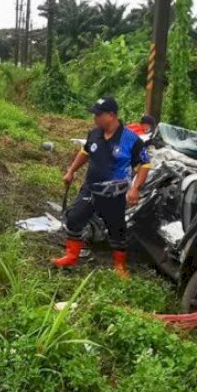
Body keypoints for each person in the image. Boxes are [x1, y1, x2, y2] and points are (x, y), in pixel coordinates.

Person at [53, 97, 151, 279]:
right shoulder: (94, 134)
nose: (95, 118)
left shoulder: (132, 140)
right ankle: (71, 256)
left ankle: (120, 266)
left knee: (117, 229)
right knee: (74, 218)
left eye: (98, 115)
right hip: (91, 188)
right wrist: (71, 171)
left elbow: (144, 165)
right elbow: (85, 152)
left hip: (114, 193)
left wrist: (135, 188)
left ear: (111, 115)